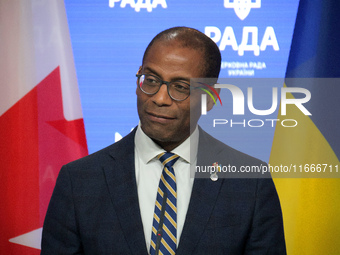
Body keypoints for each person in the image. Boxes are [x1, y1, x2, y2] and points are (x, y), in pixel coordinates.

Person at [41, 26, 286, 254]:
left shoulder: (251, 183)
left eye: (180, 87)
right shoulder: (79, 181)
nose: (159, 98)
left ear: (211, 99)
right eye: (151, 80)